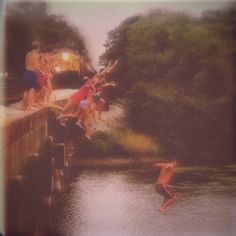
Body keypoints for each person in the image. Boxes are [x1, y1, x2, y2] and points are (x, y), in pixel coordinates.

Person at [22, 41, 41, 110]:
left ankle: (23, 106)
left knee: (26, 90)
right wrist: (42, 72)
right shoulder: (36, 54)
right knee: (32, 90)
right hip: (31, 73)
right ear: (38, 47)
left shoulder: (28, 54)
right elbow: (36, 66)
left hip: (26, 72)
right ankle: (29, 107)